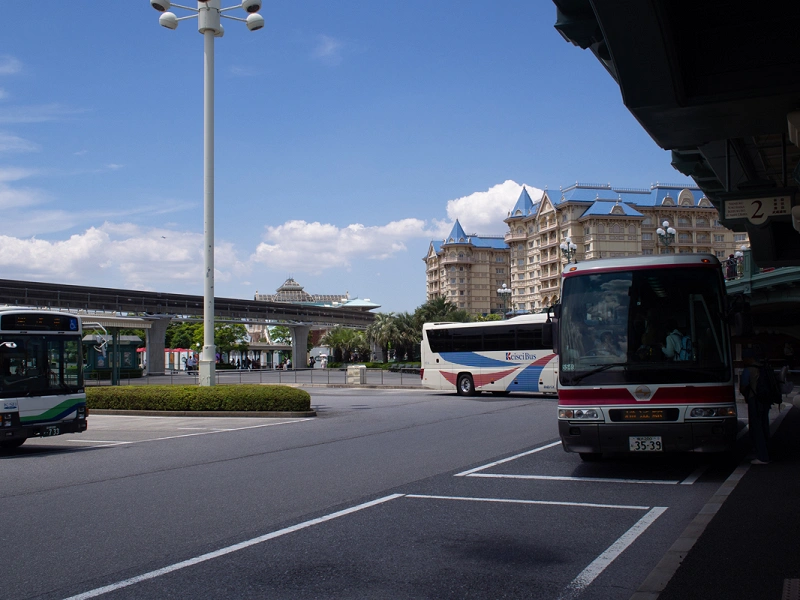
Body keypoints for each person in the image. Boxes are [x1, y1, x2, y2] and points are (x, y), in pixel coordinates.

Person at [739, 348, 771, 464]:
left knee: (756, 428)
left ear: (749, 358)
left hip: (755, 400)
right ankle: (766, 452)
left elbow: (743, 387)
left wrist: (746, 394)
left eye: (744, 358)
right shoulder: (763, 367)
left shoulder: (748, 370)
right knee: (764, 426)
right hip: (765, 400)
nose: (743, 360)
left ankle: (762, 456)